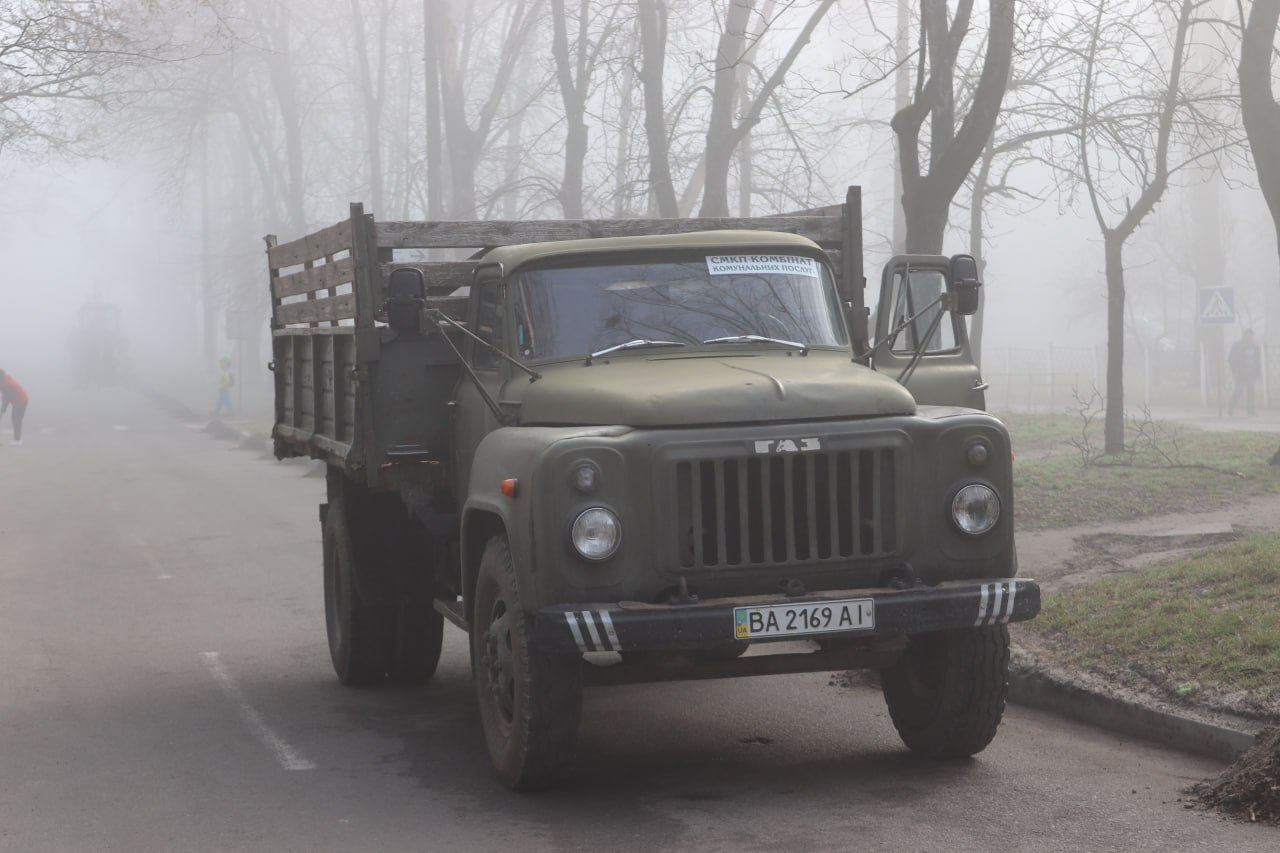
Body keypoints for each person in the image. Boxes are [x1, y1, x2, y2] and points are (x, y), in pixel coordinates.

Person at [1228, 329, 1261, 417]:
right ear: (1244, 336)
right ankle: (1230, 408)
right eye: (1247, 335)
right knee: (1239, 390)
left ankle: (1250, 411)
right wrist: (1234, 370)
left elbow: (1257, 361)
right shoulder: (1237, 346)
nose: (1249, 337)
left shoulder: (1255, 347)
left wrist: (1258, 372)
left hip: (1251, 373)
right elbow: (1232, 359)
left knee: (1251, 392)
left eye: (1251, 335)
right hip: (1240, 373)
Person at [0, 368, 29, 446]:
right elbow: (5, 396)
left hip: (21, 401)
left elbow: (6, 399)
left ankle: (18, 440)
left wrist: (2, 411)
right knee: (15, 419)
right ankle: (17, 439)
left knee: (16, 420)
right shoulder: (4, 380)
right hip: (19, 400)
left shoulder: (7, 384)